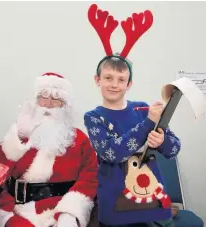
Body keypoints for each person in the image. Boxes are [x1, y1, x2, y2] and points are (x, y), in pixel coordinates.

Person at [85, 4, 181, 227]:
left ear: (129, 84)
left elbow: (174, 148)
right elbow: (113, 153)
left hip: (155, 205)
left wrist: (162, 140)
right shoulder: (94, 117)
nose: (114, 84)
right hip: (116, 211)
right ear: (97, 80)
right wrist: (149, 124)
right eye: (108, 78)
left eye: (121, 80)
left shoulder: (143, 109)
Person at [0, 72, 98, 227]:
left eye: (56, 98)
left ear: (65, 105)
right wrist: (16, 138)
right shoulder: (21, 132)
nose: (49, 103)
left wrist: (69, 214)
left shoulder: (79, 140)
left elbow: (89, 179)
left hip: (59, 209)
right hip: (15, 209)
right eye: (44, 96)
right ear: (36, 101)